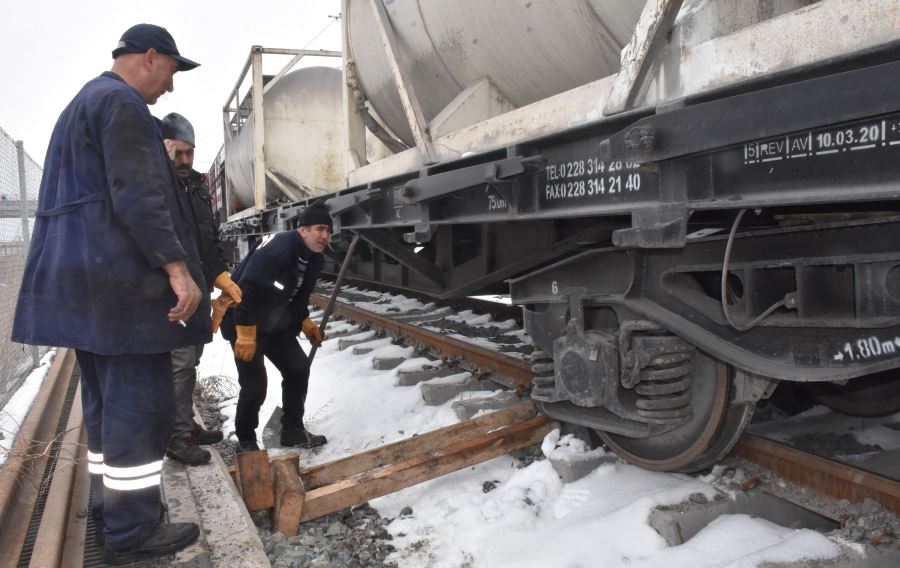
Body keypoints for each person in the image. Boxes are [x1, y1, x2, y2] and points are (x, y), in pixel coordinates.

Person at [12, 24, 208, 565]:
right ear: (150, 58)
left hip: (89, 291)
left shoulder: (85, 101)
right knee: (139, 410)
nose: (170, 88)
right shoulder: (123, 107)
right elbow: (139, 195)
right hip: (122, 292)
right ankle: (133, 531)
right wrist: (176, 268)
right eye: (171, 72)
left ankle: (110, 509)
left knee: (103, 410)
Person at [160, 112, 241, 466]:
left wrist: (218, 274)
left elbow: (207, 235)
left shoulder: (196, 183)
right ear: (164, 149)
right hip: (171, 287)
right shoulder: (158, 182)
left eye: (189, 153)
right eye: (177, 153)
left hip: (196, 283)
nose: (184, 161)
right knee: (178, 361)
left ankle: (185, 423)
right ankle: (175, 436)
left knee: (191, 357)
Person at [219, 201, 332, 452]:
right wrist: (246, 337)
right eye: (319, 229)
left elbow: (297, 295)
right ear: (303, 230)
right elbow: (245, 293)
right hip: (242, 319)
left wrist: (305, 323)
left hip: (274, 321)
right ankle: (246, 441)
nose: (324, 236)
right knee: (255, 385)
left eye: (327, 230)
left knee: (298, 369)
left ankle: (292, 431)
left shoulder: (314, 259)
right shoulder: (277, 252)